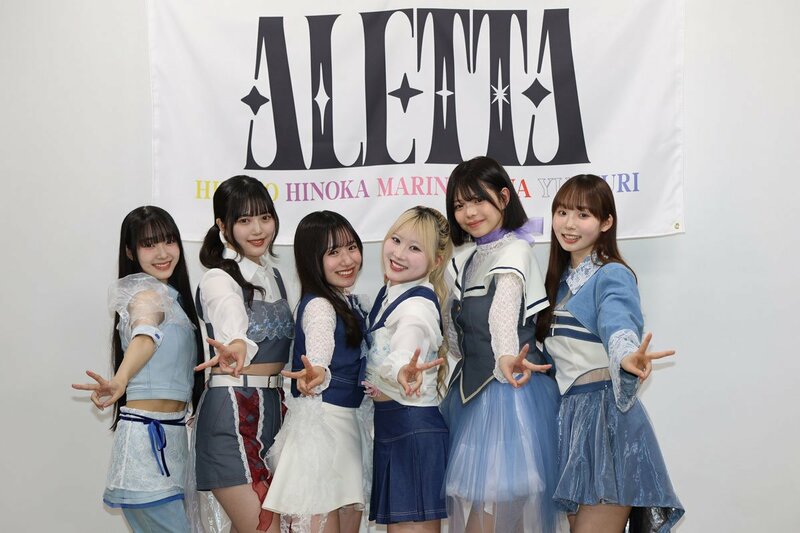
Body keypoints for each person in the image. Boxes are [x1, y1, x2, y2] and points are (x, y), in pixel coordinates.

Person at [535, 174, 684, 533]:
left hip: (605, 421)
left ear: (605, 223)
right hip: (569, 420)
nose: (569, 224)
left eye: (583, 214)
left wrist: (627, 356)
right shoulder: (558, 283)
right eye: (562, 212)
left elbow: (618, 322)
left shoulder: (611, 275)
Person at [441, 156, 561, 533]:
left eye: (478, 200)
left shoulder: (516, 249)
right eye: (459, 204)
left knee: (496, 512)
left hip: (509, 396)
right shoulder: (465, 259)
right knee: (493, 512)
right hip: (470, 393)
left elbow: (502, 315)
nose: (469, 212)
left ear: (504, 197)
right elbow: (455, 332)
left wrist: (506, 356)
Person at [72, 206, 204, 532]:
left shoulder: (176, 300)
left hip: (174, 443)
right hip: (145, 446)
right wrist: (120, 379)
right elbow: (146, 334)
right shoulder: (146, 294)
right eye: (148, 244)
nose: (162, 253)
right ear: (130, 252)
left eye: (169, 241)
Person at [194, 175, 294, 533]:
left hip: (272, 411)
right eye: (244, 220)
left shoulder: (275, 276)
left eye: (265, 217)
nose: (258, 229)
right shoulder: (218, 279)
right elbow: (230, 320)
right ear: (223, 225)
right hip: (232, 413)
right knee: (266, 528)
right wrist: (237, 344)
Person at [263, 211, 369, 533]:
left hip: (344, 429)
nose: (347, 260)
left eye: (351, 247)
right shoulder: (321, 306)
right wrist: (317, 371)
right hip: (322, 432)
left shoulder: (346, 302)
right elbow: (319, 350)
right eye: (333, 252)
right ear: (312, 260)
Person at [365, 206, 453, 532]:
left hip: (413, 431)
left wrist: (403, 367)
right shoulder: (389, 293)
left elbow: (409, 338)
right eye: (396, 240)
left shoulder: (417, 306)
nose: (399, 253)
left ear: (436, 261)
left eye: (415, 248)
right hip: (395, 428)